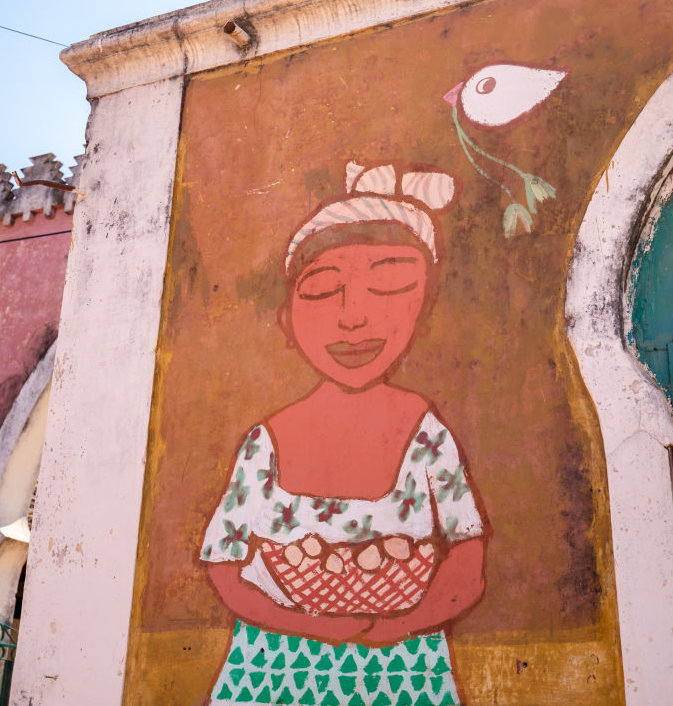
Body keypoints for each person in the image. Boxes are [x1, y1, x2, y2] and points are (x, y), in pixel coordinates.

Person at [200, 162, 487, 706]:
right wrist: (309, 625)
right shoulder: (267, 442)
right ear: (288, 320)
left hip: (405, 669)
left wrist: (404, 624)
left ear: (423, 306)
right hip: (270, 668)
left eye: (390, 285)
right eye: (324, 290)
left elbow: (467, 554)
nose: (354, 317)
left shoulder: (426, 435)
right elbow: (223, 564)